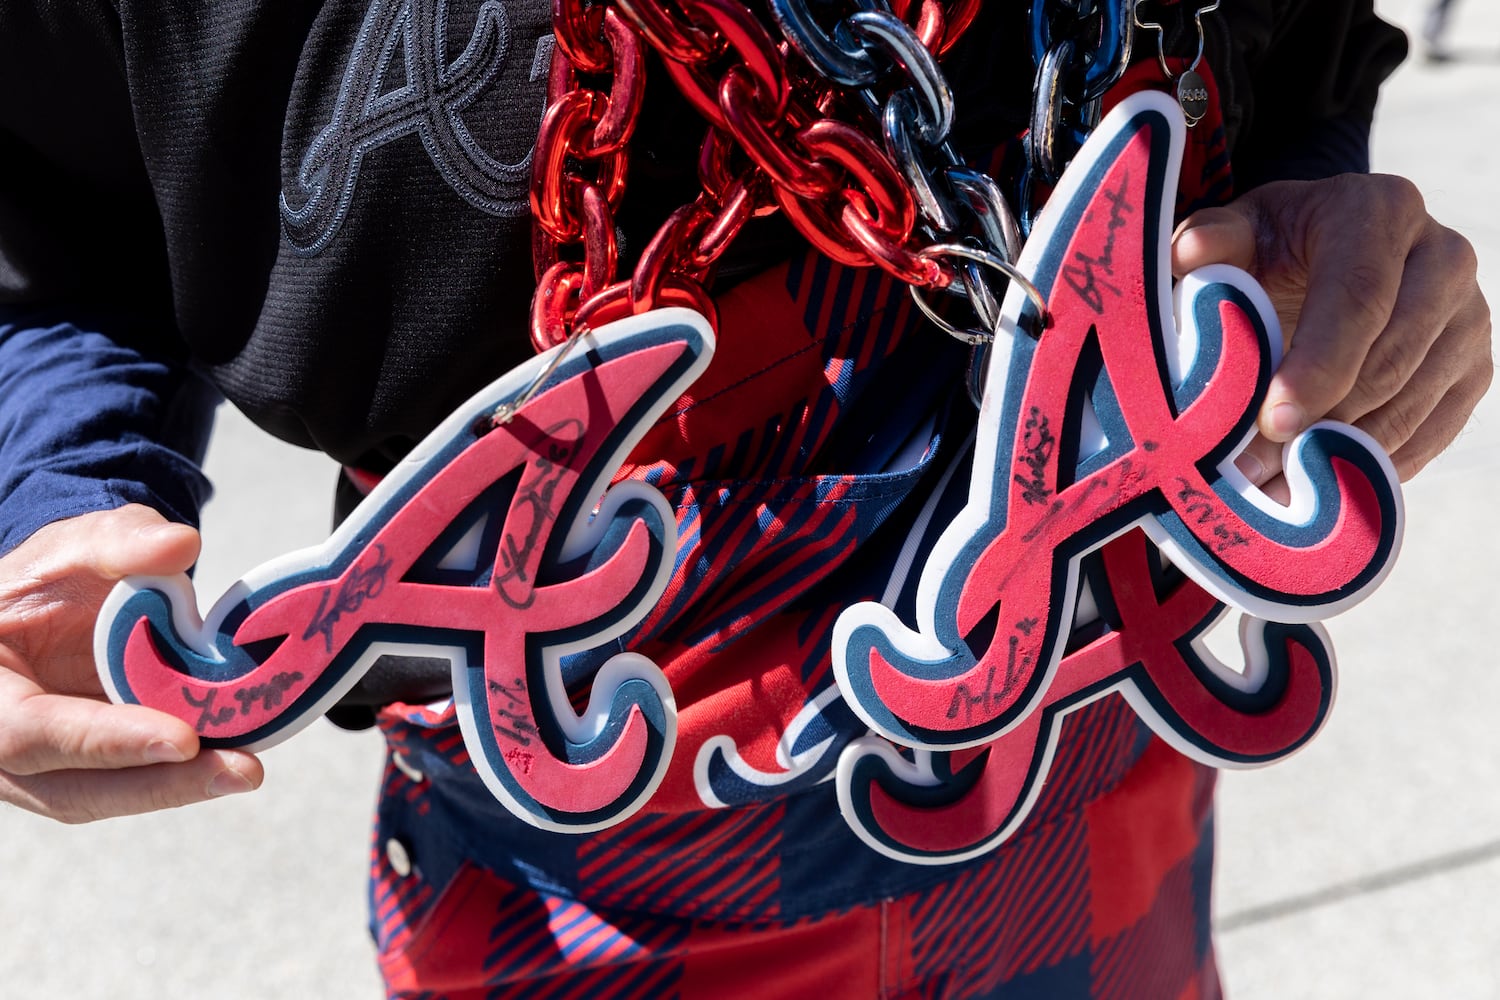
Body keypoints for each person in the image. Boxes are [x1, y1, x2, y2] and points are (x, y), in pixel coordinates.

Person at [0, 1, 1490, 996]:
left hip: (1101, 787)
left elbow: (1295, 53)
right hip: (572, 878)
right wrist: (54, 492)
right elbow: (54, 201)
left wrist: (1324, 217)